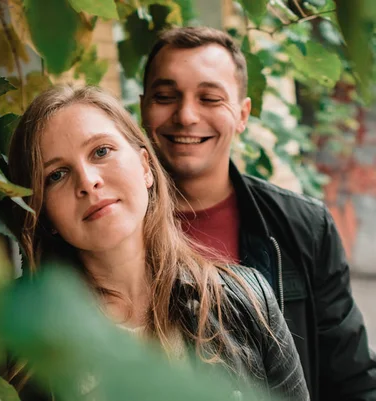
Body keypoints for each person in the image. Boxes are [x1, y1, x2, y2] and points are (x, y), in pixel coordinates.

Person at [7, 85, 309, 400]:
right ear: (42, 214)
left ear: (145, 166)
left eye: (101, 151)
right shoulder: (19, 338)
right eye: (56, 175)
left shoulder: (247, 300)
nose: (87, 181)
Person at [139, 26, 376, 401]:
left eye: (210, 98)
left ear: (242, 114)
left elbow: (352, 378)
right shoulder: (115, 227)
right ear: (143, 107)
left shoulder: (304, 228)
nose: (185, 115)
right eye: (166, 96)